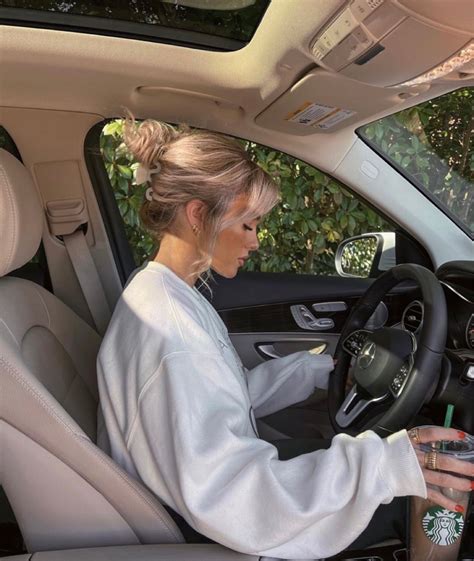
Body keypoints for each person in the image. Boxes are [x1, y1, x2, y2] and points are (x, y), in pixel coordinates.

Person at [97, 116, 473, 560]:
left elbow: (219, 397)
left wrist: (319, 370)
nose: (255, 241)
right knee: (424, 498)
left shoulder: (162, 291)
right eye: (248, 224)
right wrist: (388, 465)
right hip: (216, 524)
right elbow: (231, 497)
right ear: (199, 214)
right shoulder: (170, 335)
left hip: (204, 495)